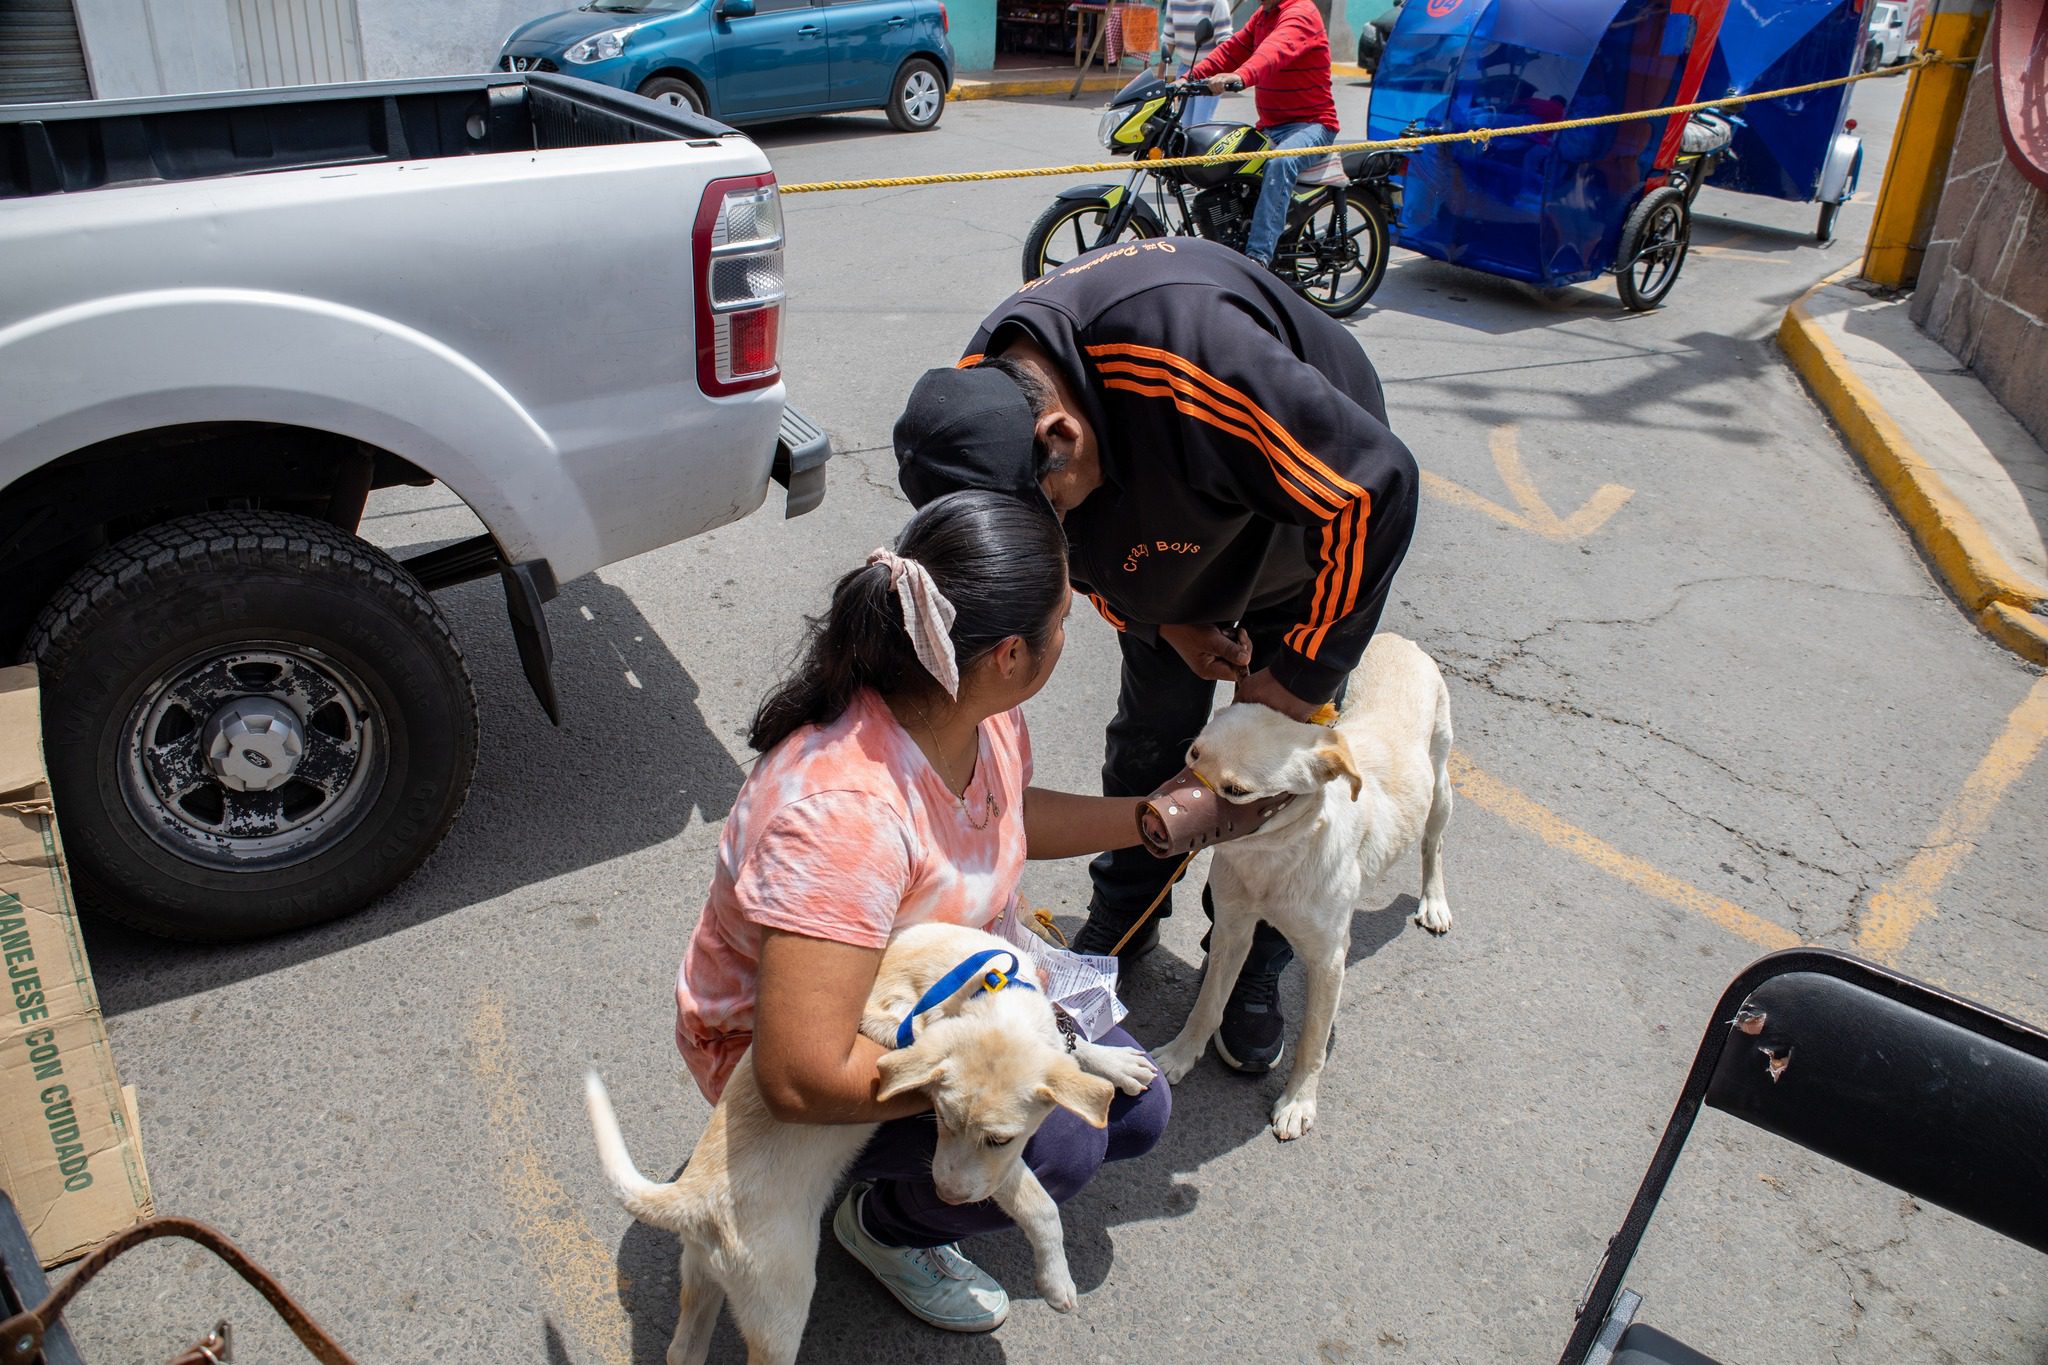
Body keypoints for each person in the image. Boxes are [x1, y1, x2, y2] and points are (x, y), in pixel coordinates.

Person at [892, 237, 1418, 1076]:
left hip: (1301, 520)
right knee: (1151, 738)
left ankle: (1253, 962)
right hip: (1166, 538)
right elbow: (1073, 557)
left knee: (1272, 782)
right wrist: (1161, 620)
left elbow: (1375, 489)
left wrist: (1296, 679)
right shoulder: (981, 403)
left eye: (1054, 506)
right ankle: (1126, 912)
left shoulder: (1192, 360)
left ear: (1061, 434)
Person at [674, 490, 1170, 1335]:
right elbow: (797, 1073)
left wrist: (1147, 818)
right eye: (1064, 617)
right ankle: (887, 1229)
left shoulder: (978, 710)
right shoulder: (847, 817)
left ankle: (902, 1191)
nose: (1069, 630)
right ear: (1012, 651)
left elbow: (1002, 815)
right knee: (1065, 1141)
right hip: (795, 1047)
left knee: (1137, 1106)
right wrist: (973, 1089)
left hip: (945, 993)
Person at [1185, 0, 1340, 272]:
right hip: (1270, 125)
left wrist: (1239, 76)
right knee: (1222, 157)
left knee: (1281, 162)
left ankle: (1258, 259)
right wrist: (1186, 79)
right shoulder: (1262, 16)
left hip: (1312, 125)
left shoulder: (1300, 13)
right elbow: (1232, 51)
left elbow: (1273, 52)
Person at [1156, 0, 1234, 124]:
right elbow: (1169, 39)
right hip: (1184, 69)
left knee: (1200, 123)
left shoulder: (1217, 2)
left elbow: (1224, 41)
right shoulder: (1173, 2)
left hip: (1209, 72)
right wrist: (1160, 77)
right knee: (1183, 124)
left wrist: (1222, 75)